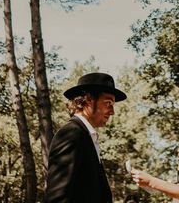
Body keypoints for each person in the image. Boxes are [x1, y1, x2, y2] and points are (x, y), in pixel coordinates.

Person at [44, 72, 127, 203]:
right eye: (108, 103)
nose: (112, 112)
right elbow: (57, 198)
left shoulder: (86, 136)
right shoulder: (72, 134)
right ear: (88, 100)